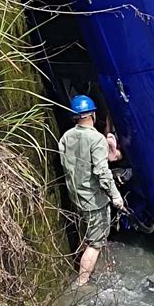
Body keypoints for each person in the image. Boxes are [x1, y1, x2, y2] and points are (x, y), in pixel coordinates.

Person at [58, 95, 124, 287]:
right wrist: (116, 196)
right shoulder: (96, 139)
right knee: (95, 244)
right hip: (94, 201)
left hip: (76, 196)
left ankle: (86, 269)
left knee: (86, 236)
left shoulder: (66, 137)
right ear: (93, 114)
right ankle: (81, 282)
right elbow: (102, 172)